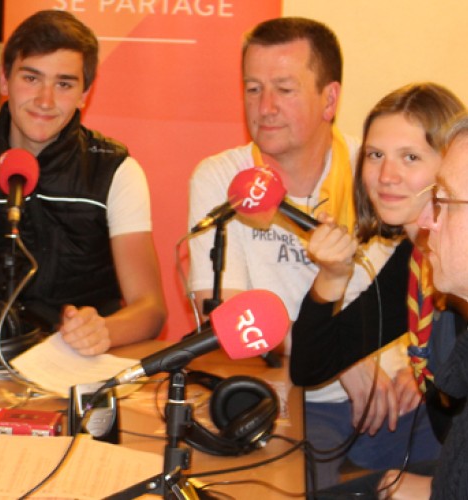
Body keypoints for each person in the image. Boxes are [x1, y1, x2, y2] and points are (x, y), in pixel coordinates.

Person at [187, 17, 438, 488]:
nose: (265, 107)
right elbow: (229, 320)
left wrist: (429, 370)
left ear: (330, 99)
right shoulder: (223, 178)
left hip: (398, 400)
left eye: (284, 88)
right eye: (253, 88)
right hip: (293, 398)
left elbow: (430, 293)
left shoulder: (378, 173)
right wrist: (346, 360)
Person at [0, 10, 166, 356]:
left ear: (85, 93)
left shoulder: (117, 171)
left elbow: (151, 308)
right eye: (31, 78)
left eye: (64, 84)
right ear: (4, 81)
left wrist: (103, 330)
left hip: (86, 363)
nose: (45, 100)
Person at [290, 83, 464, 492]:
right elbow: (311, 367)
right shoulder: (414, 263)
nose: (386, 176)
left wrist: (435, 491)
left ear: (450, 167)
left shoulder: (459, 269)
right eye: (375, 155)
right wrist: (331, 279)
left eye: (410, 157)